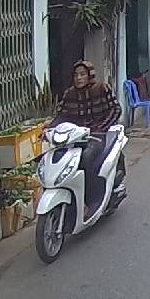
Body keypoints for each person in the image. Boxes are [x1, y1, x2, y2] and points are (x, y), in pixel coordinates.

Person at [53, 60, 121, 219]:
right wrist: (48, 129)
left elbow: (116, 109)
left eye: (82, 74)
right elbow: (61, 115)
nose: (79, 78)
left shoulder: (102, 88)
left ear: (89, 75)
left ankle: (91, 200)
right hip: (73, 138)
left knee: (85, 159)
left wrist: (102, 127)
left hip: (97, 136)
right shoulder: (69, 94)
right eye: (76, 75)